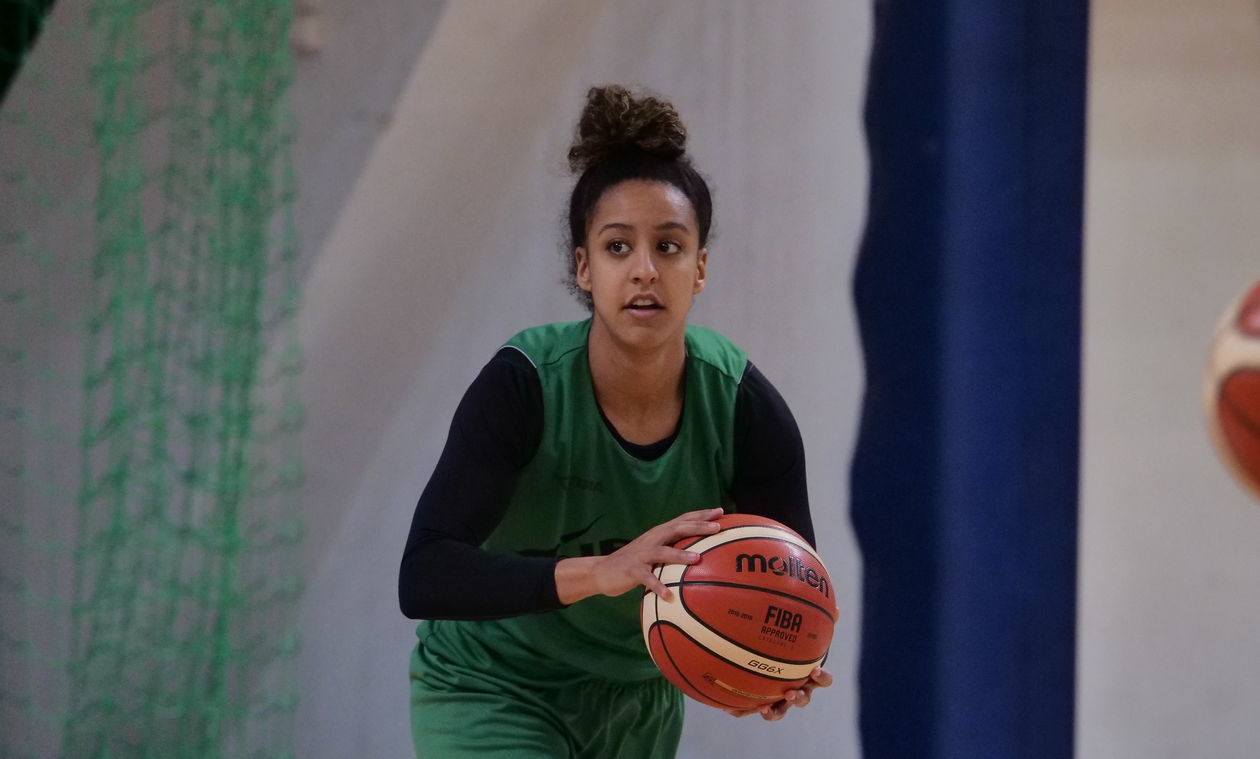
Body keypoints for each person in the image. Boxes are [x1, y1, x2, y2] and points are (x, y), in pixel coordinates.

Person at [399, 84, 831, 759]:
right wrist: (602, 572)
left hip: (639, 700)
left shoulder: (745, 408)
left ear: (700, 269)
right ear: (585, 267)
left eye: (669, 246)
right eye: (618, 246)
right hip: (494, 682)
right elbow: (425, 575)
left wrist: (781, 667)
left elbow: (790, 587)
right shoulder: (524, 384)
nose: (644, 271)